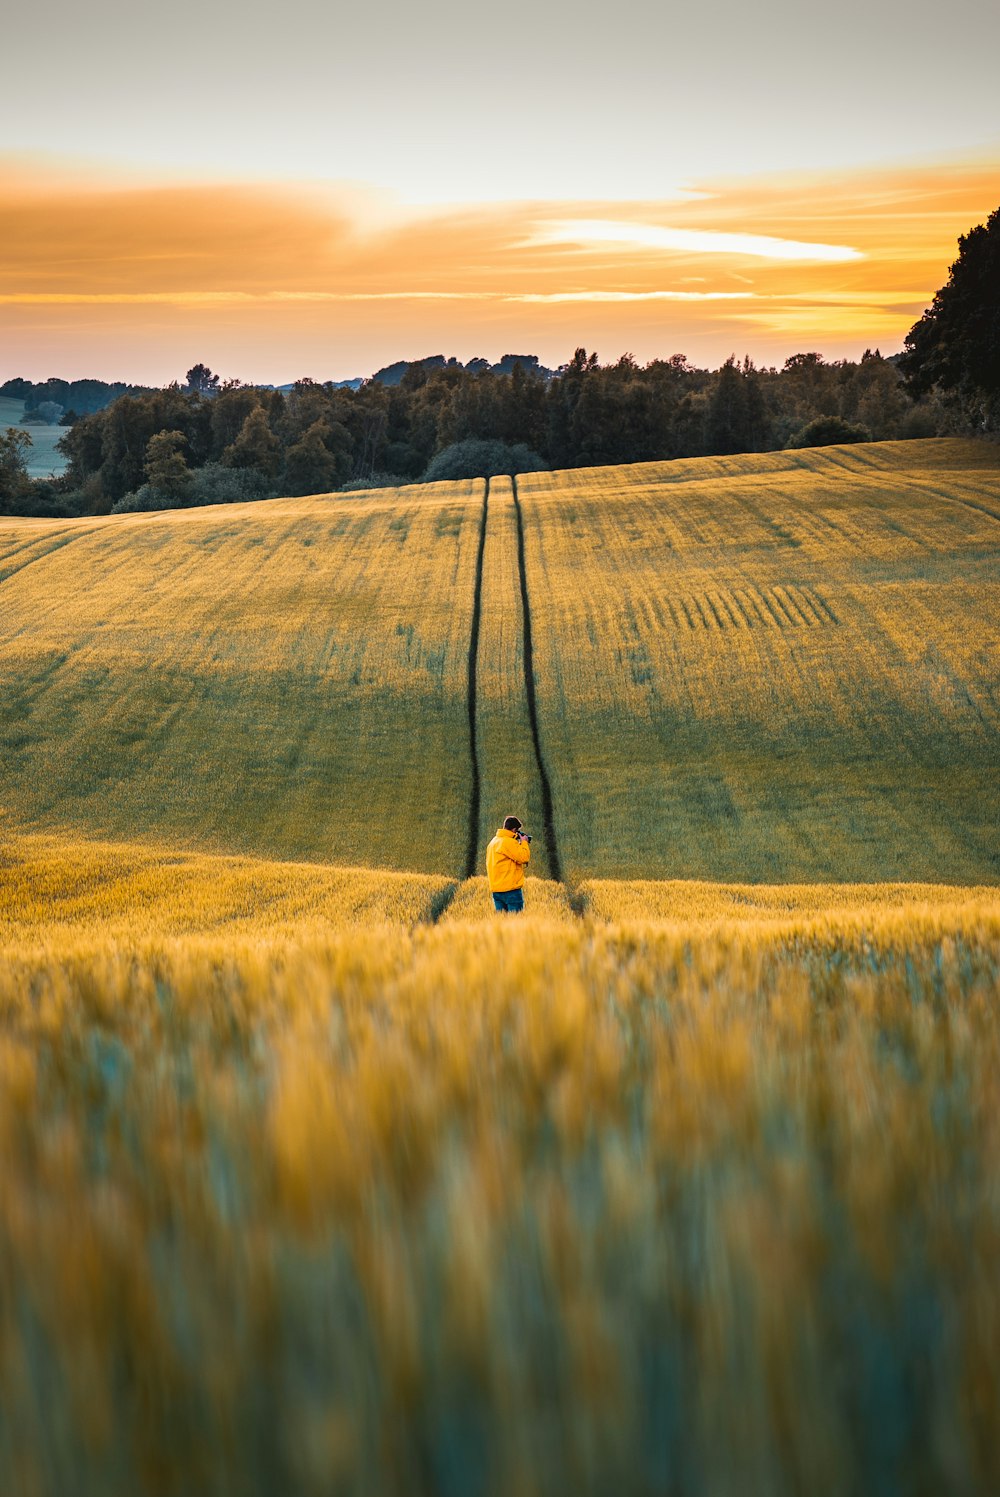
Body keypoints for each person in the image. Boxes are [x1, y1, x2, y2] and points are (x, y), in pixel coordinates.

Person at [486, 816, 531, 913]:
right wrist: (524, 842)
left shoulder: (493, 842)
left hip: (496, 890)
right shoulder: (508, 842)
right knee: (515, 924)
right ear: (514, 829)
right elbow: (524, 857)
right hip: (511, 891)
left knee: (502, 924)